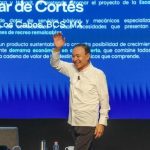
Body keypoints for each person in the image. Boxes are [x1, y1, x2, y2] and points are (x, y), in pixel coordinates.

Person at [50, 32, 110, 150]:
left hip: (88, 124)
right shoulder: (72, 69)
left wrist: (102, 122)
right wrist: (57, 48)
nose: (75, 59)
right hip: (72, 122)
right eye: (73, 56)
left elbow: (104, 99)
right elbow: (55, 63)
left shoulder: (98, 74)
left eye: (78, 56)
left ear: (88, 56)